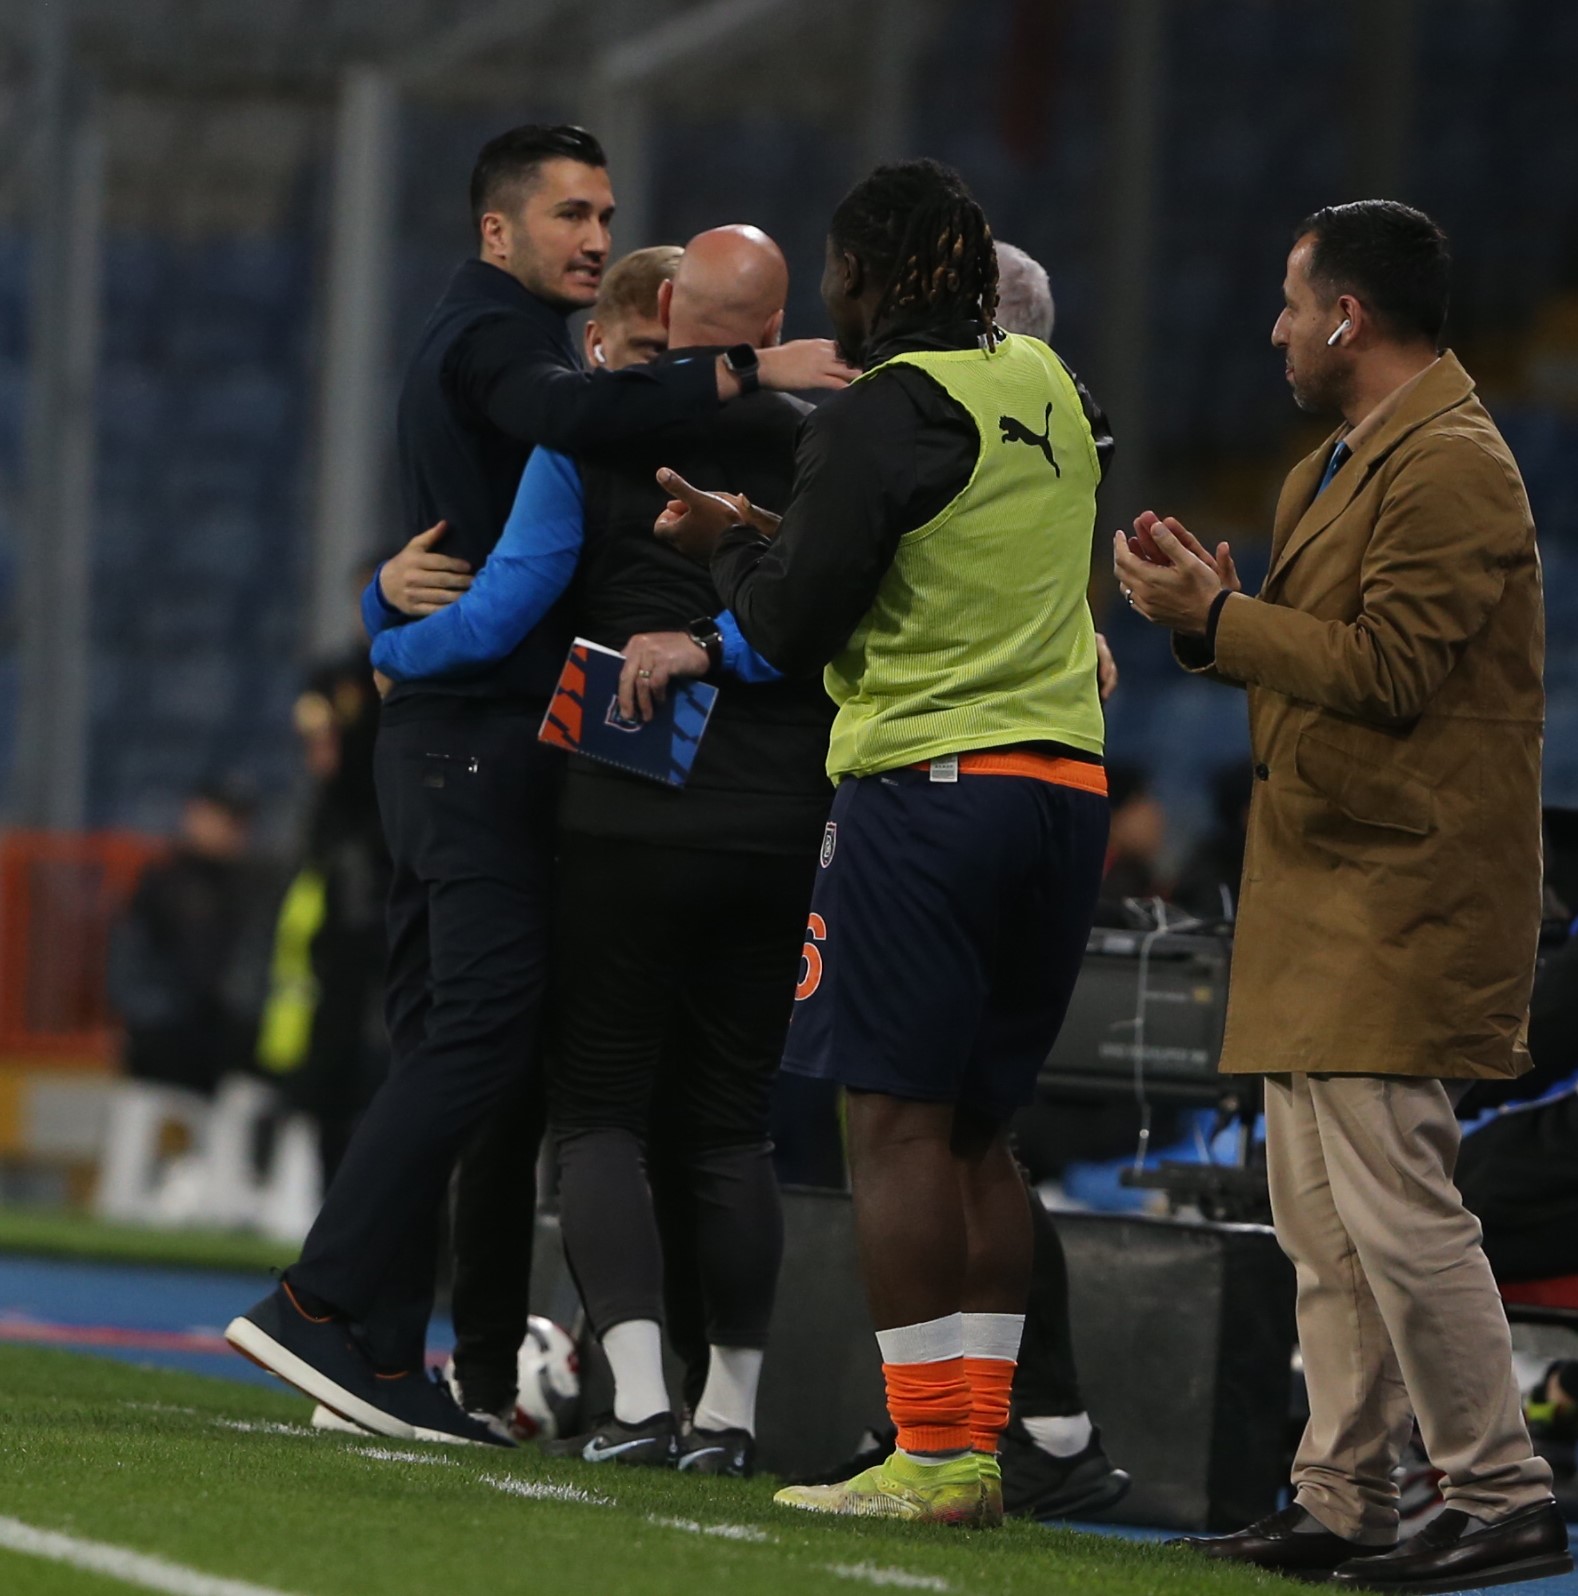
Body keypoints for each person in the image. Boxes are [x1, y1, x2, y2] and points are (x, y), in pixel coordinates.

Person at [226, 124, 851, 1445]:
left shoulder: (531, 358)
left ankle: (401, 1356)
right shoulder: (498, 346)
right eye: (569, 212)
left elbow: (531, 499)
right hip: (482, 747)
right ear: (496, 230)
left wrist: (373, 612)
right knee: (491, 1039)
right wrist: (742, 376)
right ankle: (323, 1304)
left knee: (466, 1047)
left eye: (606, 214)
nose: (592, 234)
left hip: (480, 748)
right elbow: (562, 440)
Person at [1115, 199, 1570, 1591]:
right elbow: (1314, 653)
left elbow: (1385, 672)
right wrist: (1216, 614)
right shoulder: (1335, 464)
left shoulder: (1455, 466)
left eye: (1286, 301)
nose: (1271, 330)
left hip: (1404, 894)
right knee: (1320, 1223)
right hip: (1324, 887)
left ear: (1344, 318)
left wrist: (1213, 622)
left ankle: (1498, 1490)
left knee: (1395, 1207)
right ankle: (1346, 1496)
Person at [651, 159, 1111, 1528]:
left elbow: (788, 631)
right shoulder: (1054, 385)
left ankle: (927, 1451)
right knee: (978, 1131)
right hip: (1061, 787)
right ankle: (971, 1454)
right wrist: (775, 536)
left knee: (893, 1127)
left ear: (870, 277)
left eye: (840, 272)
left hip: (930, 786)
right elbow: (944, 536)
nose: (833, 295)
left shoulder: (885, 412)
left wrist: (729, 557)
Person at [375, 224, 830, 1476]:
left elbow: (500, 613)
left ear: (673, 303)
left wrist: (382, 631)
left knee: (601, 1114)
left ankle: (634, 1401)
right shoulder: (825, 445)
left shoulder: (596, 435)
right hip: (783, 814)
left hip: (629, 810)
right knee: (733, 1124)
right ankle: (728, 1417)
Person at [108, 781, 262, 1098]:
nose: (232, 830)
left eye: (239, 822)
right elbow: (130, 969)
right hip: (170, 1030)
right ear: (194, 816)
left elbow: (254, 971)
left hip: (227, 1032)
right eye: (224, 818)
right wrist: (163, 1013)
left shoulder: (256, 887)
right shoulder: (162, 883)